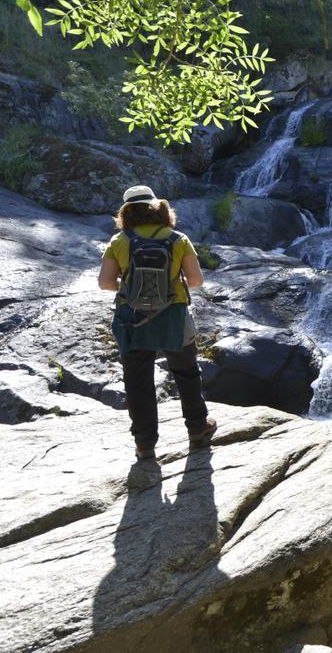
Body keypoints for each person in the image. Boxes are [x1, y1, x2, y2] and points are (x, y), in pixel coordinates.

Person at [98, 186, 217, 461]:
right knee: (187, 372)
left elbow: (105, 283)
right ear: (159, 208)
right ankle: (198, 428)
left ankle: (144, 444)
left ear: (126, 212)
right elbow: (197, 281)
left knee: (138, 381)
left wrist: (131, 287)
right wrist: (168, 286)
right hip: (173, 314)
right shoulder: (178, 239)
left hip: (132, 318)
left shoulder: (119, 241)